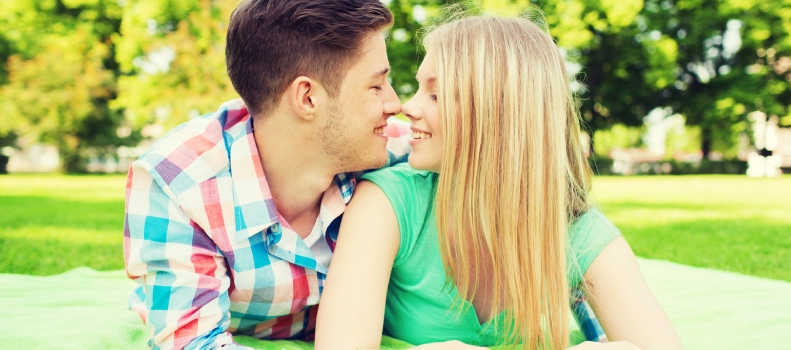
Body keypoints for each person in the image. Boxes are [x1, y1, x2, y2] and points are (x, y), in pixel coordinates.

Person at [315, 16, 685, 350]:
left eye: (436, 94)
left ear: (498, 114)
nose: (407, 107)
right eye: (419, 88)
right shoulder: (387, 203)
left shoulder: (577, 232)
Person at [122, 1, 412, 349]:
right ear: (307, 97)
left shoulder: (391, 149)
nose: (397, 105)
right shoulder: (179, 184)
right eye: (377, 86)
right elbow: (193, 343)